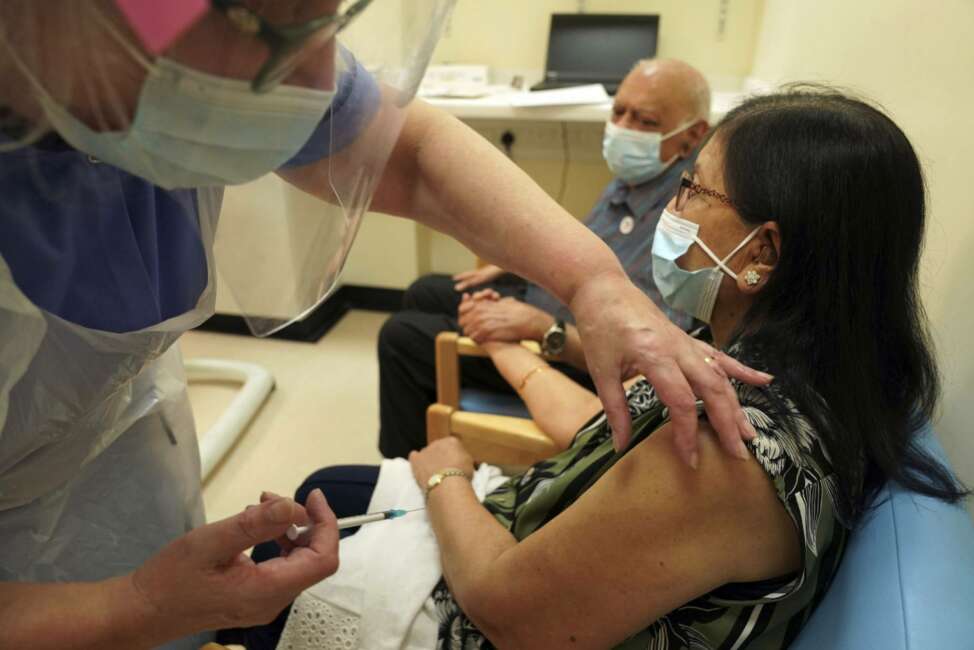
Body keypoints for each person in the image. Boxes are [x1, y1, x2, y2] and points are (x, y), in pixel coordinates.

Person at [0, 2, 770, 647]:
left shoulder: (152, 68)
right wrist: (134, 604)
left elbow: (408, 150)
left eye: (325, 24)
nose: (316, 80)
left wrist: (594, 281)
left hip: (115, 454)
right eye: (264, 24)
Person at [236, 86, 968, 649]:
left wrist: (444, 472)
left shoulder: (727, 453)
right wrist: (520, 358)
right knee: (324, 493)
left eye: (693, 188)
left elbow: (507, 613)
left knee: (284, 547)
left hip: (487, 614)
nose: (673, 205)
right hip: (531, 527)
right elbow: (619, 433)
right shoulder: (778, 370)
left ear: (762, 255)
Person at [378, 58, 711, 458]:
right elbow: (585, 247)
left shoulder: (682, 219)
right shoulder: (637, 180)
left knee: (402, 338)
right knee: (425, 290)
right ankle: (435, 430)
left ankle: (414, 474)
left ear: (691, 137)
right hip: (553, 302)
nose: (623, 128)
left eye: (644, 121)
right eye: (618, 112)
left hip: (571, 353)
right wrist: (518, 261)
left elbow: (643, 363)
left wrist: (541, 328)